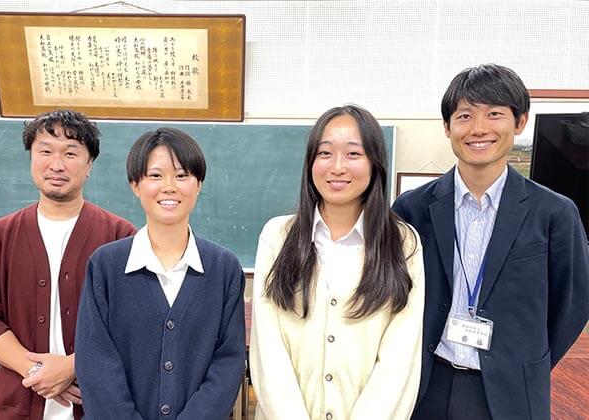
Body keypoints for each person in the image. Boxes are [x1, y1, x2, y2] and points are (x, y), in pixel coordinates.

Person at [393, 63, 589, 419]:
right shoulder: (411, 209)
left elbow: (572, 305)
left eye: (495, 114)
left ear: (520, 122)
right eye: (465, 115)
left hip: (511, 391)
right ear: (448, 126)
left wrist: (524, 360)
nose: (478, 128)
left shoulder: (555, 213)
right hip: (425, 386)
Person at [250, 104, 425, 420]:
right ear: (311, 163)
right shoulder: (277, 236)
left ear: (374, 163)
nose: (338, 167)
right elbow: (268, 351)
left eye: (354, 154)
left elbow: (400, 360)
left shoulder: (402, 242)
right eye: (325, 153)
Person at [0, 109, 136, 420]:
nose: (56, 164)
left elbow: (133, 321)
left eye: (70, 153)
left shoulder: (120, 237)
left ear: (89, 163)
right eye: (45, 151)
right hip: (19, 401)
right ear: (31, 157)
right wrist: (38, 372)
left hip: (98, 403)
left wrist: (73, 366)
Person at [75, 127, 246, 419]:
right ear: (135, 184)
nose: (170, 186)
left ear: (199, 184)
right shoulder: (106, 266)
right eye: (155, 176)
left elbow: (228, 362)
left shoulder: (224, 269)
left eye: (182, 175)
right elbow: (96, 363)